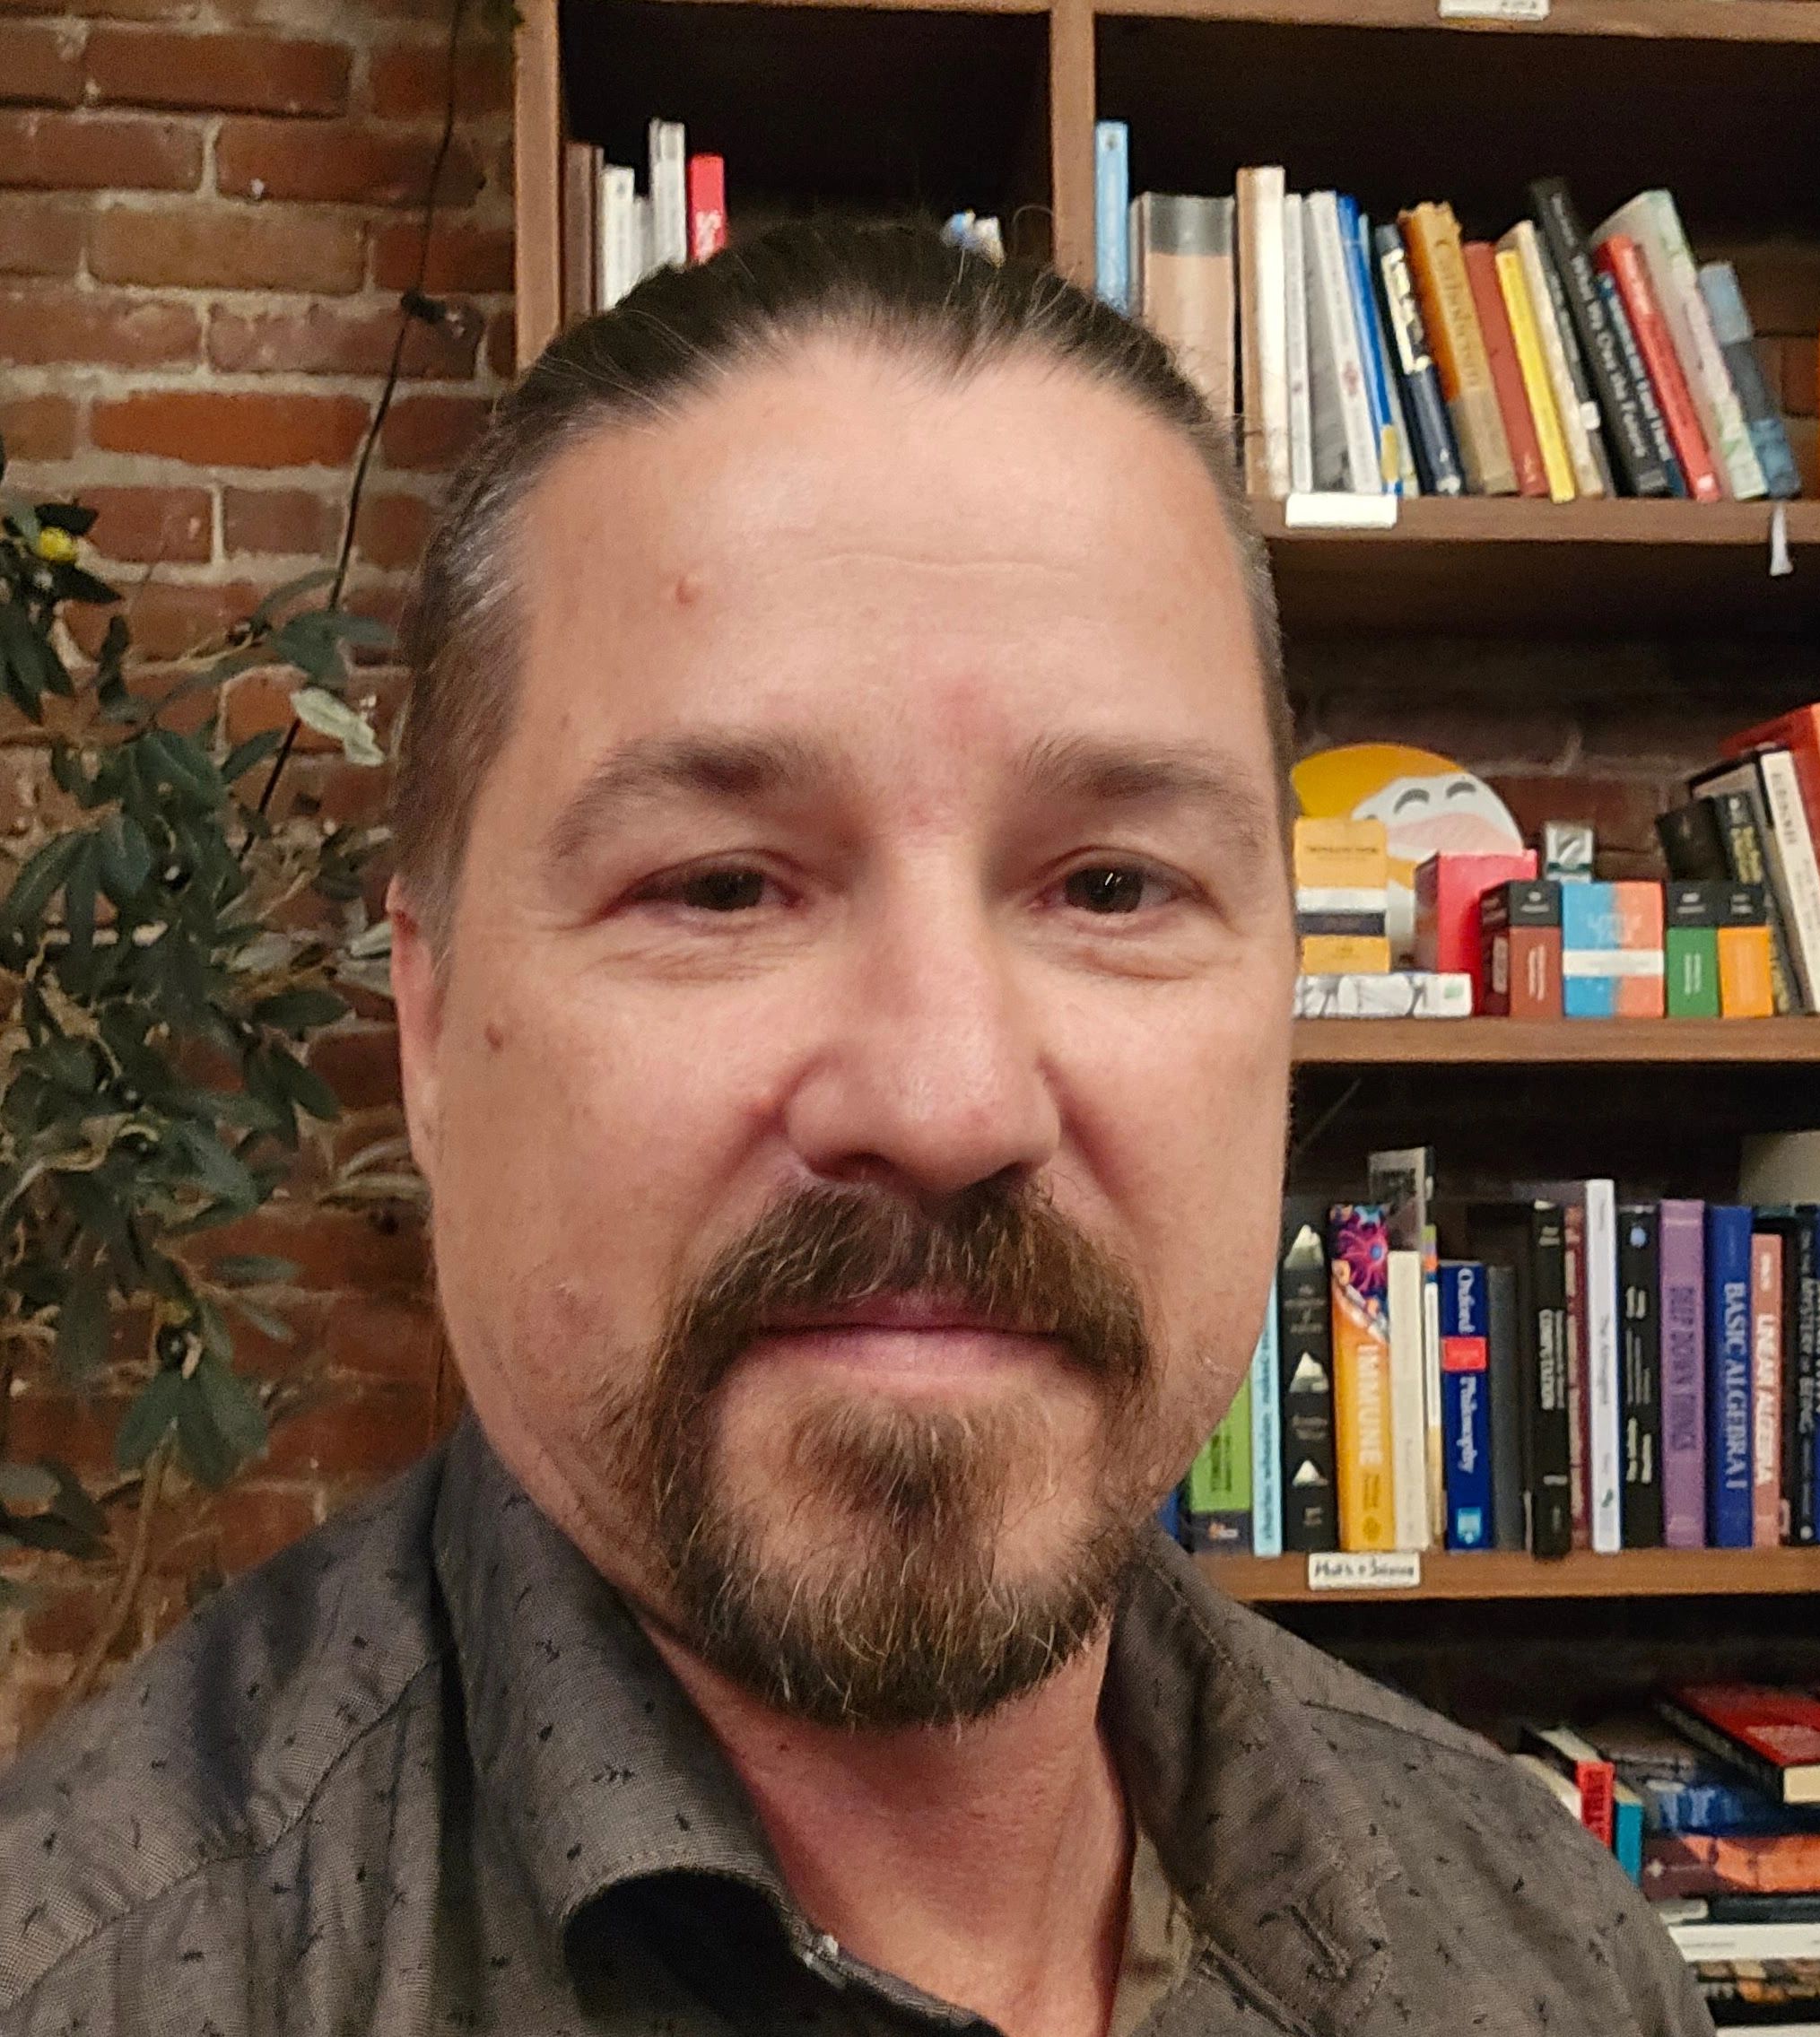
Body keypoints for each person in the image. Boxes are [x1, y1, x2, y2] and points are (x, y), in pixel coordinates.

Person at [0, 222, 1711, 2037]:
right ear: (428, 1023)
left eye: (1111, 881)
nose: (945, 1098)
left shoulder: (1544, 1952)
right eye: (723, 884)